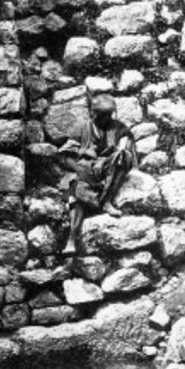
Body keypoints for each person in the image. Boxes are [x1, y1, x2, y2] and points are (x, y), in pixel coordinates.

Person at [59, 93, 136, 255]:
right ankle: (71, 240)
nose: (105, 119)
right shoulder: (81, 128)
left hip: (108, 170)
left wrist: (122, 147)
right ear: (93, 114)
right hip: (85, 171)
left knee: (124, 156)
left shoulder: (118, 128)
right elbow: (65, 156)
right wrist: (79, 169)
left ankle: (107, 201)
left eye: (109, 115)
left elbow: (127, 144)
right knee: (75, 194)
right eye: (101, 115)